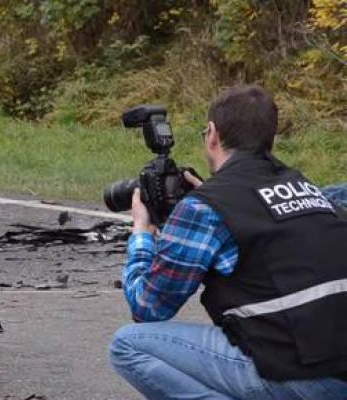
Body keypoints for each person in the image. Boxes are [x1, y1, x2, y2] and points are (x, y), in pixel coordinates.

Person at [109, 85, 347, 399]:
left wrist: (142, 234)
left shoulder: (204, 209)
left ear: (212, 134)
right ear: (271, 137)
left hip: (297, 377)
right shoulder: (310, 189)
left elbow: (148, 308)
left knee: (128, 345)